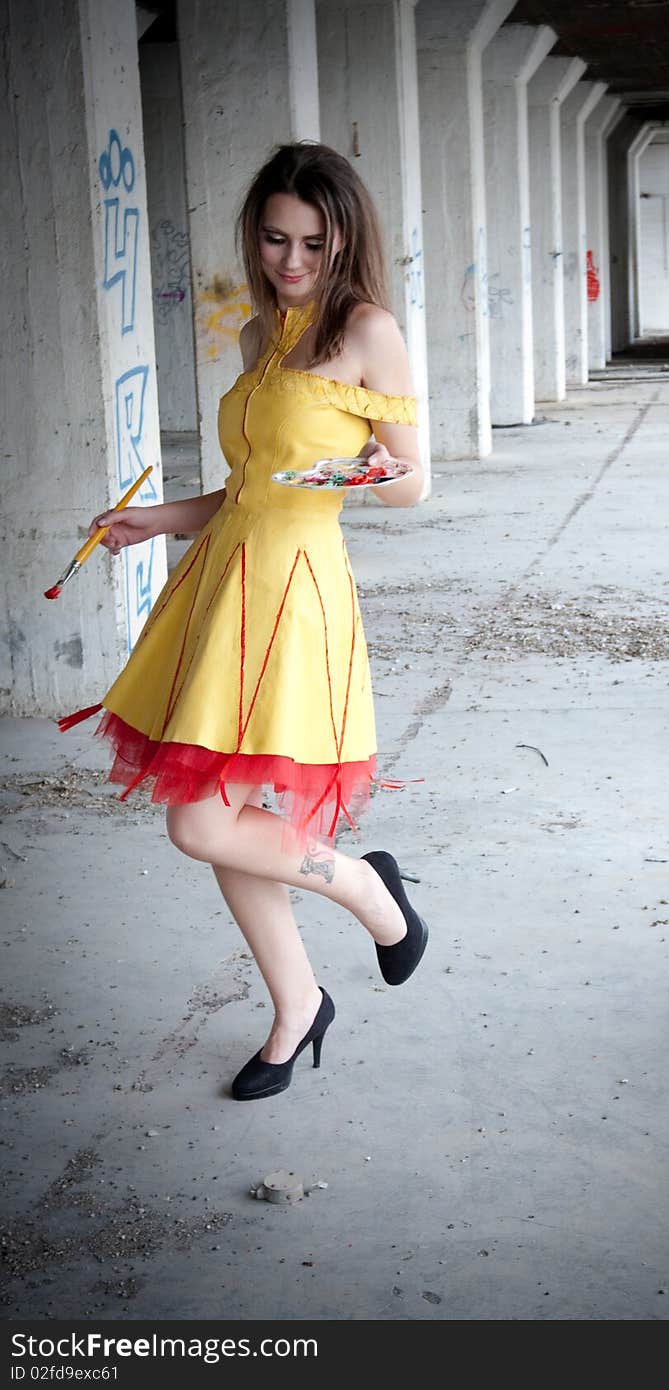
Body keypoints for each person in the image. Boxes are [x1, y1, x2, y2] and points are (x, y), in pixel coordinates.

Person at [59, 142, 428, 1101]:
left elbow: (412, 480)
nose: (292, 261)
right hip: (226, 583)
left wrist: (319, 476)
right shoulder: (261, 334)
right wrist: (156, 519)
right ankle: (299, 1004)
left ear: (344, 236)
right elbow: (239, 491)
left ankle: (369, 892)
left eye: (312, 241)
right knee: (224, 817)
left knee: (199, 822)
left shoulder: (368, 330)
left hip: (298, 593)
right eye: (274, 239)